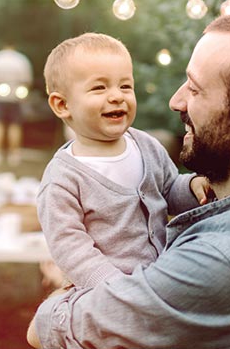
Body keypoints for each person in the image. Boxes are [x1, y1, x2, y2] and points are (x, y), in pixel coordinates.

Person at [28, 12, 230, 348]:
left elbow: (42, 330)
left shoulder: (216, 262)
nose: (175, 101)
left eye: (195, 88)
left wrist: (61, 285)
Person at [37, 32, 209, 289]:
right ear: (62, 105)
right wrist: (115, 288)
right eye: (99, 87)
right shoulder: (63, 179)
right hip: (110, 299)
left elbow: (169, 191)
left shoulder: (146, 146)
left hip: (161, 283)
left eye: (125, 86)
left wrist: (191, 188)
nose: (117, 96)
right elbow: (70, 246)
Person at [0, 46, 33, 166]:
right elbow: (27, 82)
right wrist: (24, 98)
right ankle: (14, 155)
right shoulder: (21, 60)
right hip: (15, 98)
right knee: (15, 126)